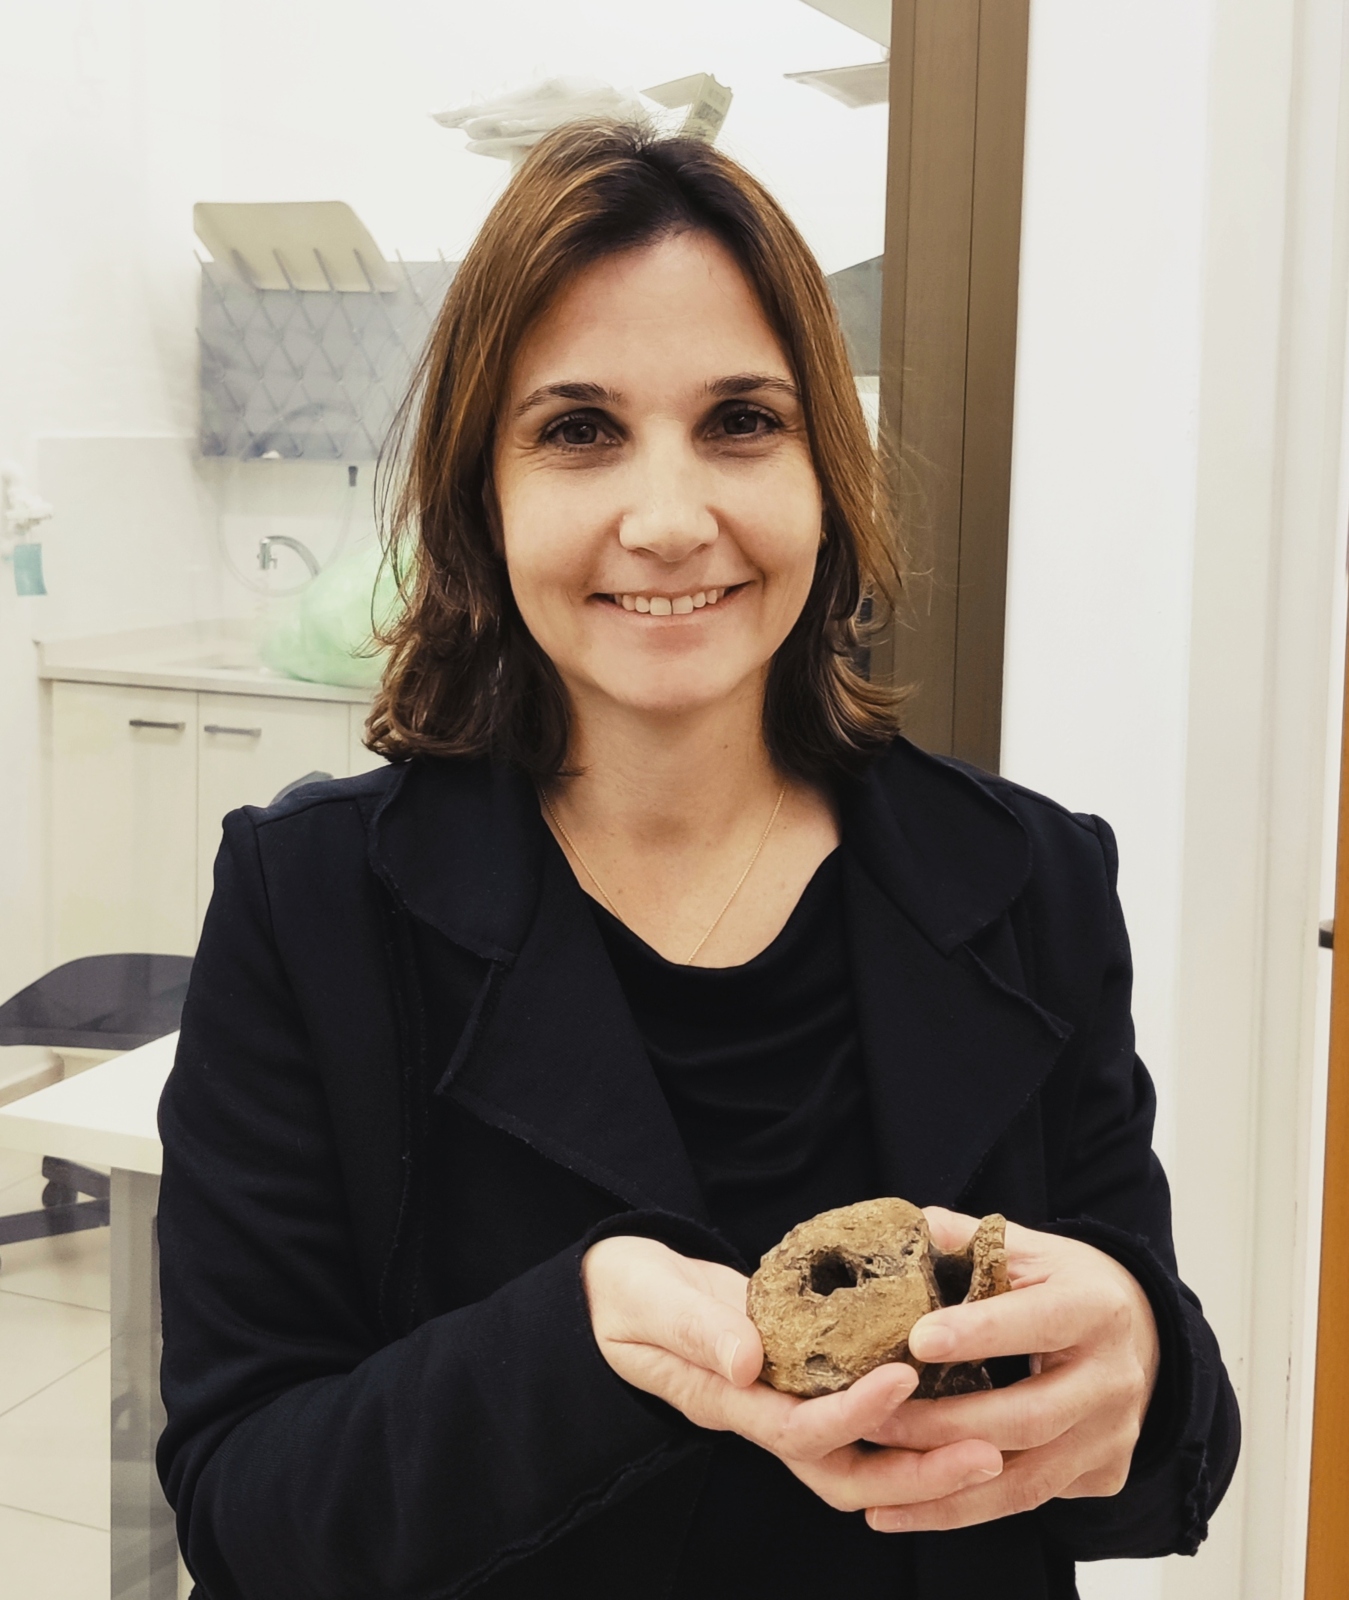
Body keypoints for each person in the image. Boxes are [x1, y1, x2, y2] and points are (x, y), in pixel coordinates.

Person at [155, 122, 1239, 1600]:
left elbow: (1157, 1457)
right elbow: (243, 1511)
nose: (669, 521)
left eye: (740, 420)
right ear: (482, 493)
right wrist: (574, 1343)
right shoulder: (314, 909)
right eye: (578, 430)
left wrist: (1145, 1356)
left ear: (822, 472)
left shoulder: (1027, 882)